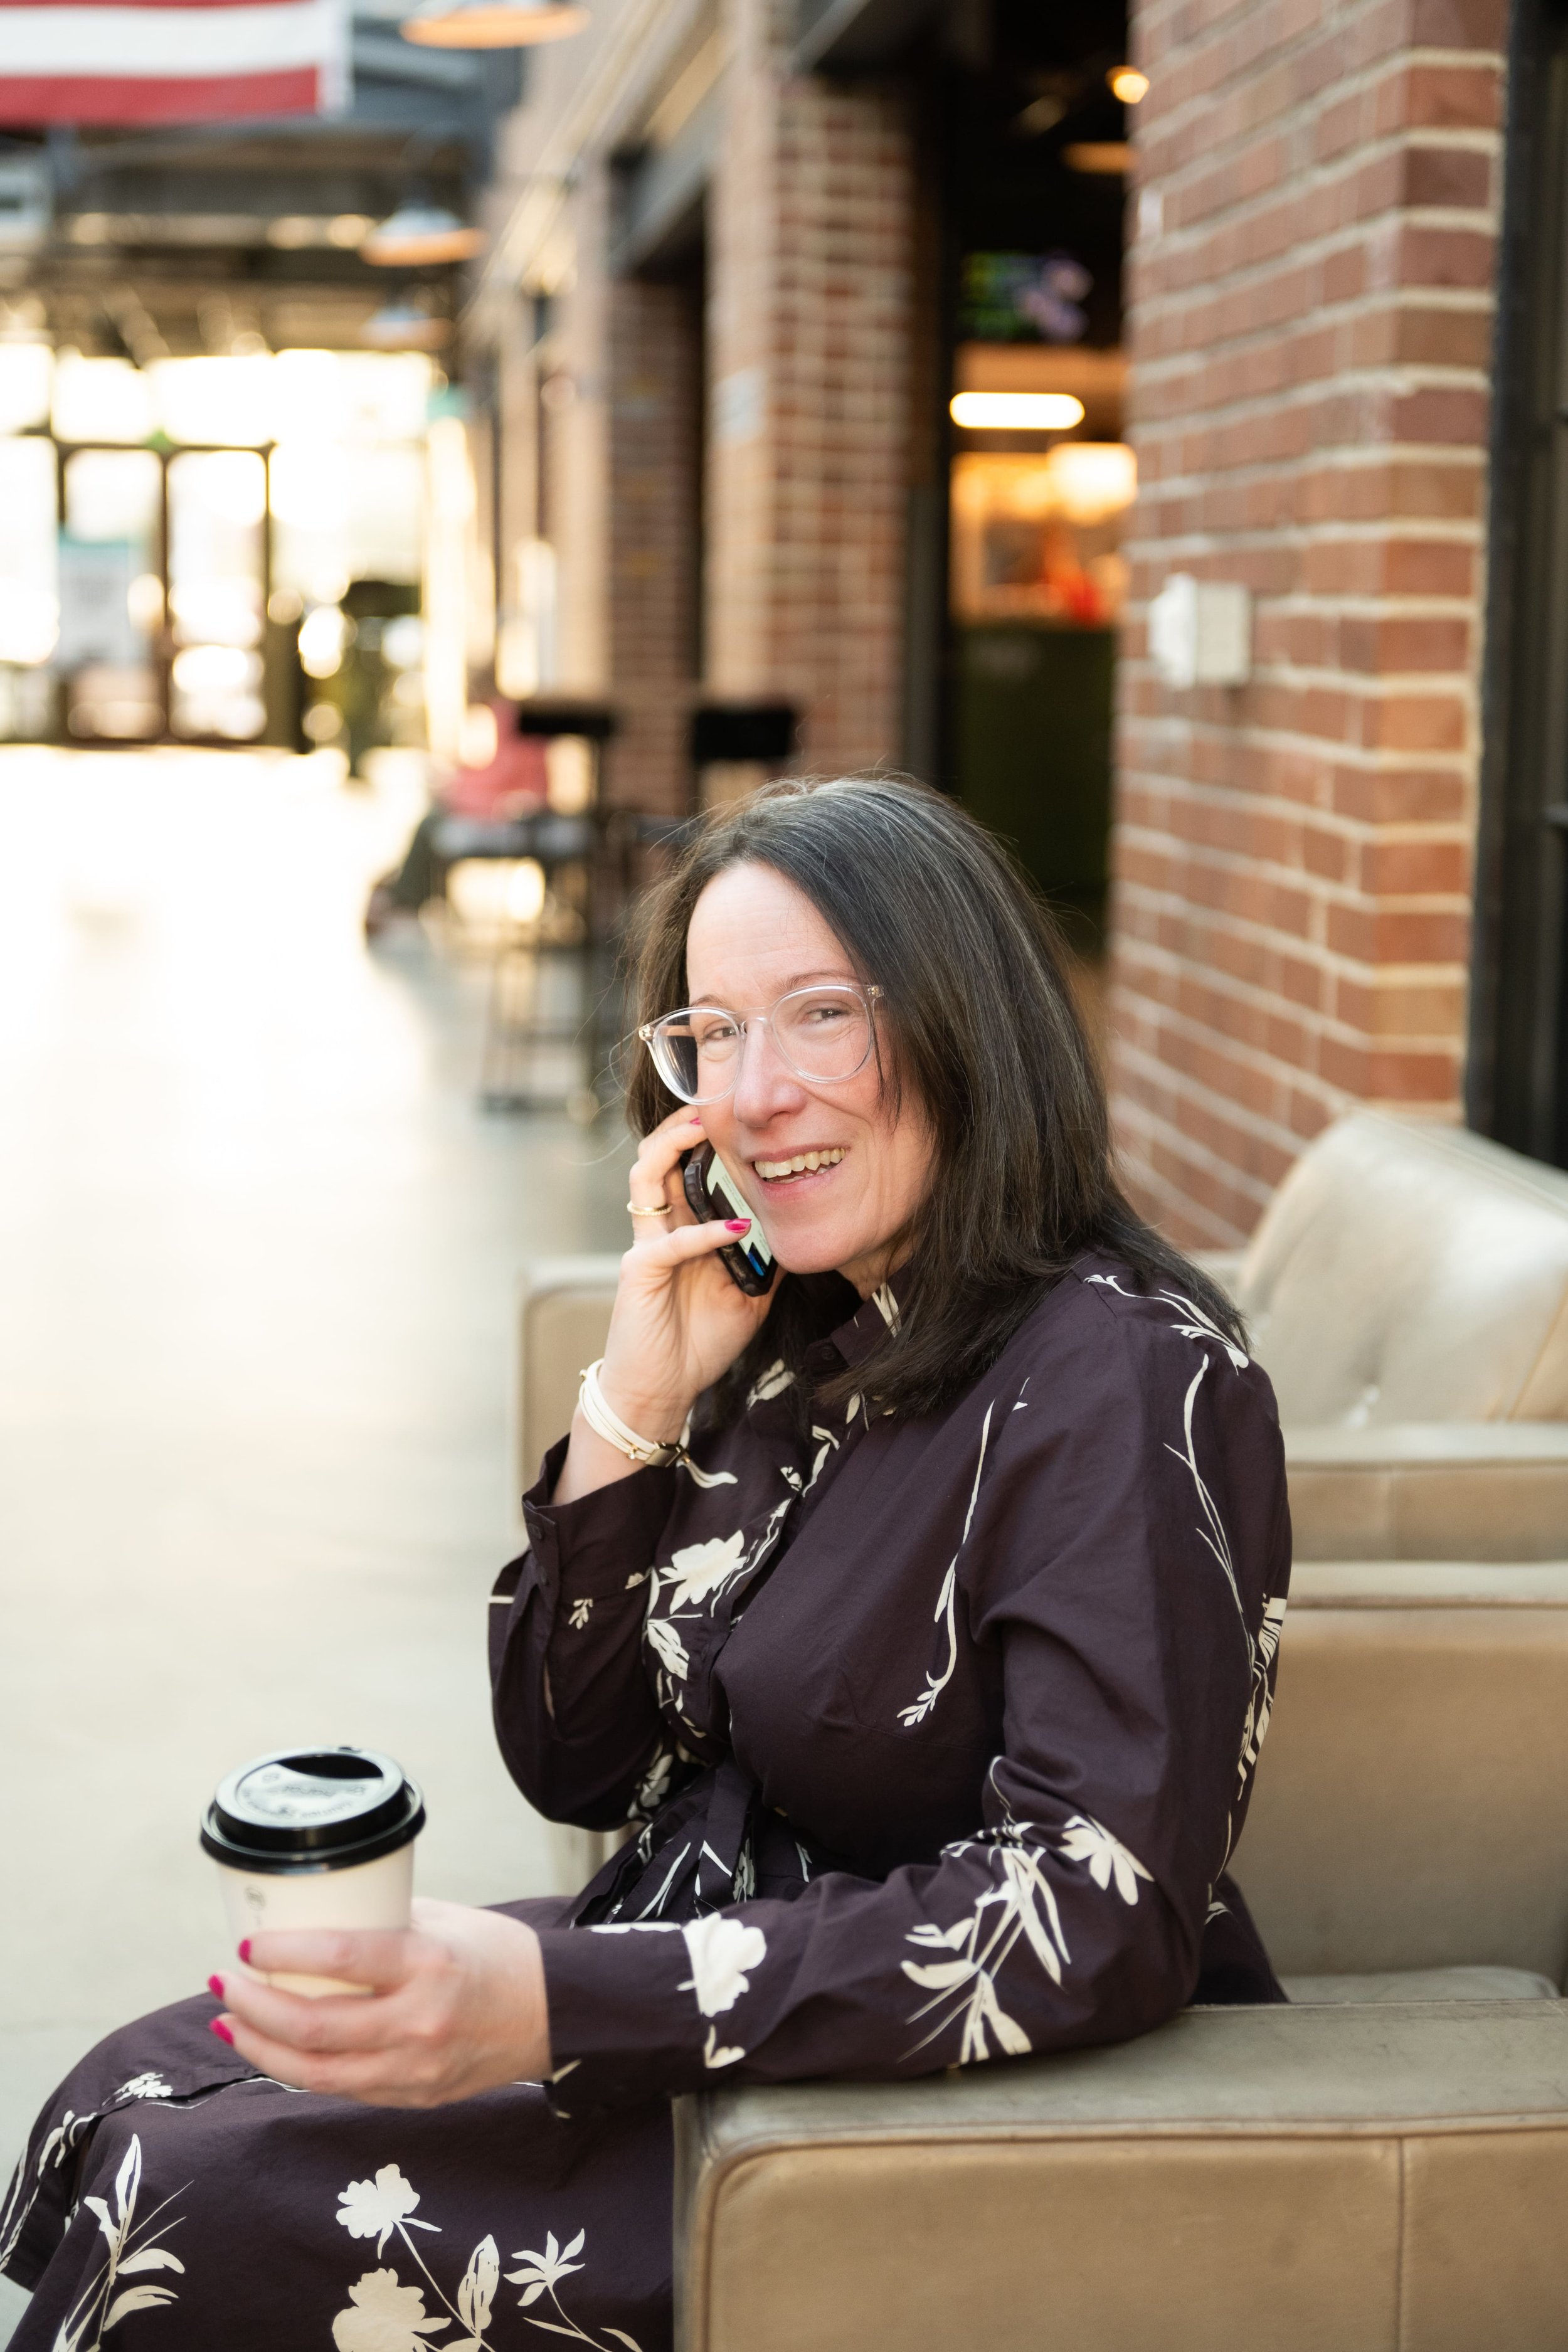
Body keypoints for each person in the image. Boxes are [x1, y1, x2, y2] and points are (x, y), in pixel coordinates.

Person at [1, 776, 1290, 2352]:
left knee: (187, 2198)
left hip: (891, 2109)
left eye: (822, 1014)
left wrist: (556, 2004)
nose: (754, 1095)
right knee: (125, 2089)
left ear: (967, 1018)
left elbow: (1101, 1907)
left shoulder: (1125, 1373)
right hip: (688, 1972)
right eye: (713, 1033)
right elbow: (577, 1752)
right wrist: (635, 1405)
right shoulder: (805, 1329)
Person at [364, 698, 548, 936]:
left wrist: (460, 796)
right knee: (432, 818)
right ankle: (400, 893)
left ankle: (401, 896)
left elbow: (509, 790)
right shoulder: (501, 720)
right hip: (483, 812)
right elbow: (488, 773)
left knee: (430, 823)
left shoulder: (519, 730)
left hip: (499, 820)